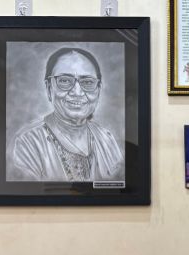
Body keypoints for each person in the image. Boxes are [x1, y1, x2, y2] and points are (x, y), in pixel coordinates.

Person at [11, 47, 125, 182]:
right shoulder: (29, 143)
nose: (77, 92)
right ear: (49, 88)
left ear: (98, 90)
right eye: (64, 81)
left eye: (87, 82)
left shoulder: (107, 140)